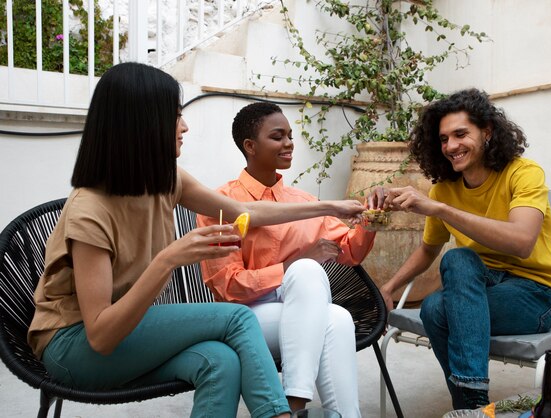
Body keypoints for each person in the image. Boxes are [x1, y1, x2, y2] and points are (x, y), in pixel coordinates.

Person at [27, 62, 368, 418]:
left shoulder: (165, 178)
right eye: (176, 116)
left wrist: (326, 207)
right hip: (74, 346)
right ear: (141, 124)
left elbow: (244, 211)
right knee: (237, 319)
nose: (185, 126)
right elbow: (100, 335)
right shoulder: (90, 210)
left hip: (130, 329)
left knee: (220, 361)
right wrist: (169, 259)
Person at [369, 88, 551, 410]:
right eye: (444, 139)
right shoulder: (444, 188)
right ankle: (474, 405)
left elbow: (522, 242)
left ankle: (469, 404)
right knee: (457, 260)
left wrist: (441, 209)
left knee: (435, 309)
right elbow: (429, 250)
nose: (451, 146)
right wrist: (387, 288)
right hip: (477, 288)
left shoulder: (524, 173)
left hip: (532, 295)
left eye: (461, 134)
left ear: (487, 132)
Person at [197, 102, 376, 417]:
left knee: (338, 318)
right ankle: (293, 403)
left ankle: (305, 409)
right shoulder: (222, 203)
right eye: (277, 136)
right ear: (250, 146)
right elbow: (227, 287)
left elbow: (349, 251)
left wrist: (370, 222)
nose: (289, 143)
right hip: (244, 318)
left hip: (300, 316)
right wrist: (292, 266)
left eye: (290, 136)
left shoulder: (303, 201)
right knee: (307, 270)